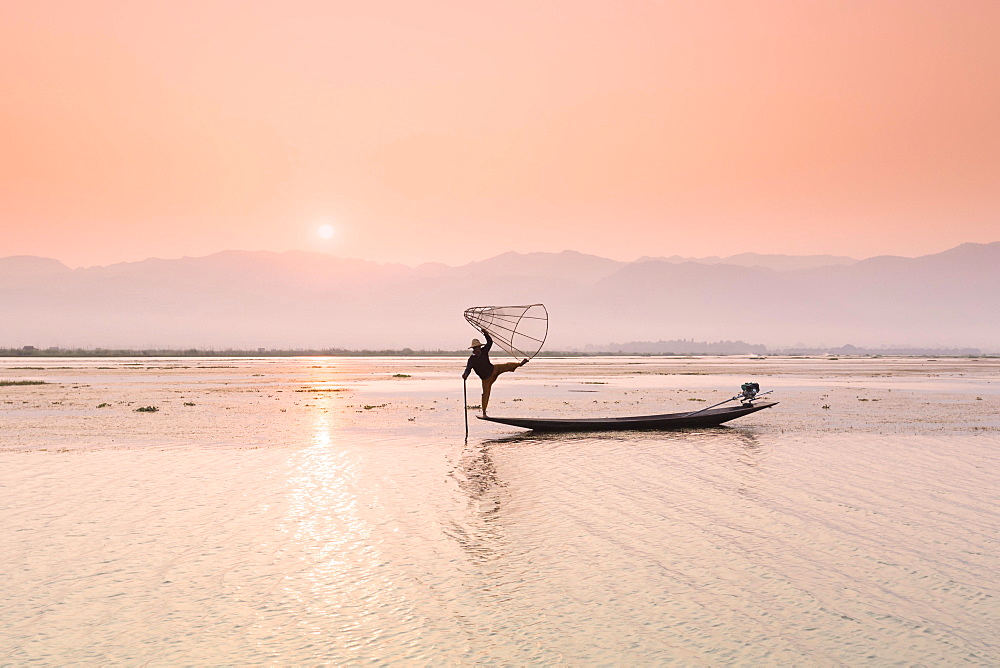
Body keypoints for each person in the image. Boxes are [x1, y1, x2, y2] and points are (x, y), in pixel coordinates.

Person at [462, 329, 528, 417]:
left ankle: (520, 364)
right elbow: (468, 369)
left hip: (494, 370)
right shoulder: (472, 359)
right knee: (486, 393)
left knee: (506, 366)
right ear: (474, 349)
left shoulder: (484, 351)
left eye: (479, 347)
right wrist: (465, 375)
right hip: (486, 379)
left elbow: (490, 342)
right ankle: (484, 413)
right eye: (476, 348)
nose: (478, 349)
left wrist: (486, 333)